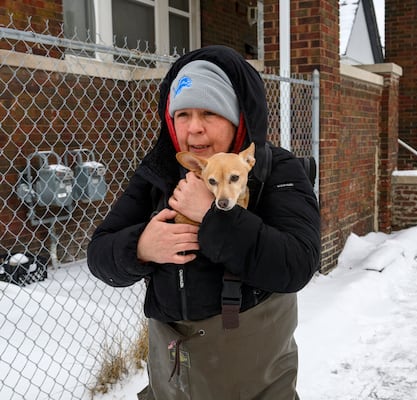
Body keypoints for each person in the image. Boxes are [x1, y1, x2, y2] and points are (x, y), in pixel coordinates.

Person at [87, 45, 321, 400]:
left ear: (238, 117)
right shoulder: (158, 174)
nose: (193, 129)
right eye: (182, 114)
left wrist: (213, 217)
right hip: (173, 371)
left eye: (209, 112)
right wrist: (141, 247)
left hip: (254, 373)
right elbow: (100, 253)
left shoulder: (274, 170)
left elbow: (297, 263)